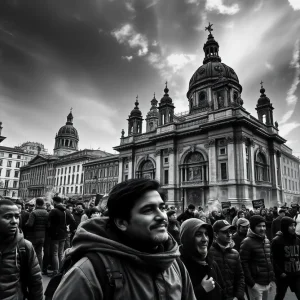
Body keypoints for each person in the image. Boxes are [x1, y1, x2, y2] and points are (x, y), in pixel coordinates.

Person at [52, 178, 196, 300]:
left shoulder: (175, 263)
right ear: (121, 222)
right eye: (148, 210)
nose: (162, 216)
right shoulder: (89, 273)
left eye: (162, 208)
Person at [0, 199, 43, 300]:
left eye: (17, 216)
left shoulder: (25, 247)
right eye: (7, 216)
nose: (14, 221)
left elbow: (35, 283)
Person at [179, 218, 225, 300]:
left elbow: (223, 291)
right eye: (198, 234)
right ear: (187, 238)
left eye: (206, 234)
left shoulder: (211, 263)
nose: (205, 239)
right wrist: (201, 289)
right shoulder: (178, 266)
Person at [240, 215, 275, 300]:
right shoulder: (247, 242)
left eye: (264, 226)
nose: (262, 228)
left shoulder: (266, 241)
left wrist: (271, 278)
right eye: (259, 226)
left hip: (267, 282)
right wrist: (252, 283)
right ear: (252, 227)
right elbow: (243, 264)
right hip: (256, 284)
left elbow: (269, 260)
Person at [210, 220, 245, 300]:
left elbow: (240, 277)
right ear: (216, 234)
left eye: (230, 231)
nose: (229, 234)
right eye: (225, 232)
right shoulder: (209, 253)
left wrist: (237, 296)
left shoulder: (235, 253)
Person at [271, 216, 300, 299]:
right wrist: (280, 272)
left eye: (294, 225)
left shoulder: (297, 240)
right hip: (284, 275)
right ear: (285, 226)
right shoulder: (277, 240)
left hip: (296, 274)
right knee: (280, 295)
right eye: (291, 225)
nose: (293, 228)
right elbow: (273, 258)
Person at [48, 196, 76, 276]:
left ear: (55, 202)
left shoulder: (54, 211)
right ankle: (61, 270)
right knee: (60, 253)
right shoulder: (66, 211)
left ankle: (55, 271)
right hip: (64, 233)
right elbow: (72, 221)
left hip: (55, 234)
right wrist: (67, 226)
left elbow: (48, 222)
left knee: (55, 253)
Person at [25, 197, 49, 269]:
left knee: (31, 253)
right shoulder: (47, 213)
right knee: (39, 253)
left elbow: (30, 224)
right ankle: (39, 269)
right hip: (42, 235)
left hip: (33, 235)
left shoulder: (33, 212)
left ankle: (31, 269)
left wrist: (25, 224)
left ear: (36, 204)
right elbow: (48, 225)